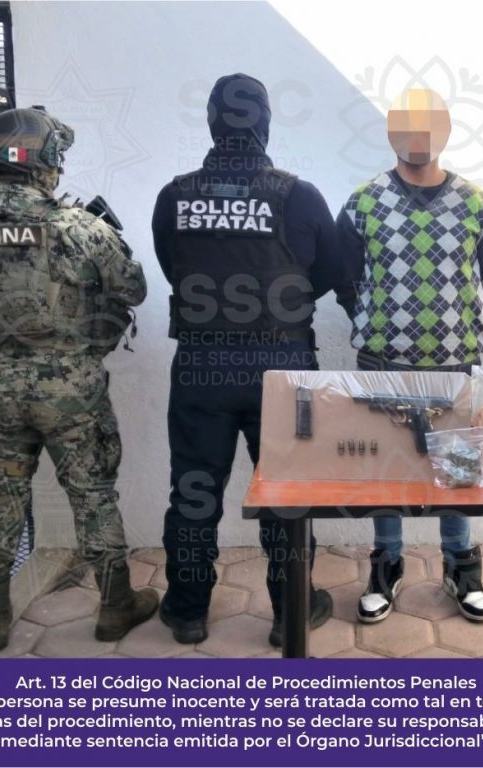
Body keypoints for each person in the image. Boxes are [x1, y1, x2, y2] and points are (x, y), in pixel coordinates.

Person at [0, 106, 156, 653]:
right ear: (49, 161)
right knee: (92, 495)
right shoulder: (78, 227)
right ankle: (115, 605)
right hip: (70, 393)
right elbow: (133, 290)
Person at [153, 73, 352, 647]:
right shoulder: (300, 195)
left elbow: (173, 266)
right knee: (288, 494)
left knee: (194, 491)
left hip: (202, 366)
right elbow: (328, 275)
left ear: (212, 122)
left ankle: (187, 610)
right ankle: (290, 613)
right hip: (282, 367)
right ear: (264, 123)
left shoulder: (174, 196)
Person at [337, 88, 483, 624]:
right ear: (391, 133)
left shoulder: (477, 203)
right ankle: (386, 565)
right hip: (382, 362)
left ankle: (460, 566)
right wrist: (378, 320)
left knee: (457, 467)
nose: (417, 136)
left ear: (447, 132)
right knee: (384, 469)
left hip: (454, 362)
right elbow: (345, 277)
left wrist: (453, 323)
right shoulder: (363, 203)